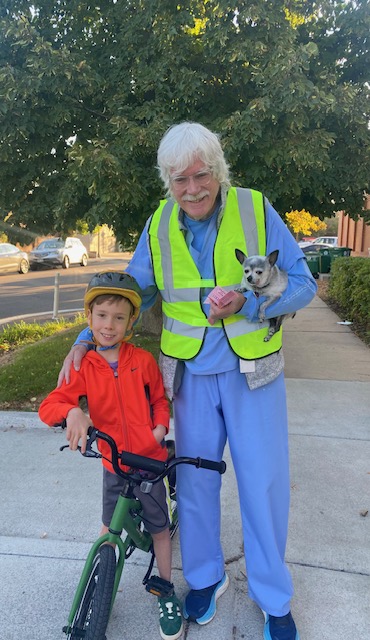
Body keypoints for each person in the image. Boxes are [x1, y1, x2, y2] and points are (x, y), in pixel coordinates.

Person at [59, 122, 318, 640]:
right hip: (190, 377)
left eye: (201, 175)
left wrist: (254, 300)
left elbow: (304, 282)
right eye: (180, 179)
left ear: (217, 172)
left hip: (254, 375)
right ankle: (203, 578)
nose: (192, 188)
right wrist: (86, 339)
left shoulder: (254, 209)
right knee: (196, 485)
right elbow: (129, 295)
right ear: (167, 181)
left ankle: (272, 596)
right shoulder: (157, 224)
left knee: (263, 486)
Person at [39, 271, 183, 640]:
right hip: (113, 460)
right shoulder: (83, 364)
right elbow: (52, 403)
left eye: (119, 318)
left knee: (160, 530)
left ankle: (165, 589)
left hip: (149, 460)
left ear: (131, 321)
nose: (109, 325)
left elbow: (158, 401)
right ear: (88, 319)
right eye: (101, 316)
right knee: (108, 528)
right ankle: (102, 589)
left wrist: (160, 429)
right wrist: (72, 412)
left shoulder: (143, 360)